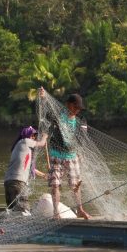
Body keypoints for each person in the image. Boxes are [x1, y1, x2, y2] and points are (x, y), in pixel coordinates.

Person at [40, 88, 91, 220]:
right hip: (56, 156)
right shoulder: (57, 117)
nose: (77, 110)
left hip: (72, 156)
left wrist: (80, 156)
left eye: (79, 108)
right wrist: (43, 97)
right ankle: (56, 212)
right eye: (75, 107)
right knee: (55, 184)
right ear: (69, 104)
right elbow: (45, 112)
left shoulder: (81, 122)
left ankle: (80, 210)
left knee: (75, 185)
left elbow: (81, 140)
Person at [4, 126, 48, 212]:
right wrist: (45, 137)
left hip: (8, 182)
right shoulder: (25, 141)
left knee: (13, 211)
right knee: (25, 210)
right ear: (27, 135)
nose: (34, 138)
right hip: (18, 183)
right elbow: (42, 143)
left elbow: (31, 168)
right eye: (33, 136)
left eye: (35, 137)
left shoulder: (20, 147)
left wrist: (44, 175)